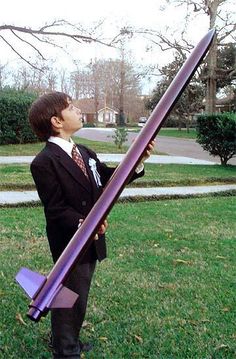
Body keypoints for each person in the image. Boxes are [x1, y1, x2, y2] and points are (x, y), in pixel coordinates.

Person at [28, 91, 154, 358]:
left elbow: (110, 180)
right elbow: (55, 209)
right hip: (70, 242)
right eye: (71, 108)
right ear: (57, 121)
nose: (77, 110)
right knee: (68, 298)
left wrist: (138, 161)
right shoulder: (44, 162)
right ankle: (66, 349)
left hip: (92, 238)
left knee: (79, 294)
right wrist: (85, 224)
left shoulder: (84, 152)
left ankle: (68, 339)